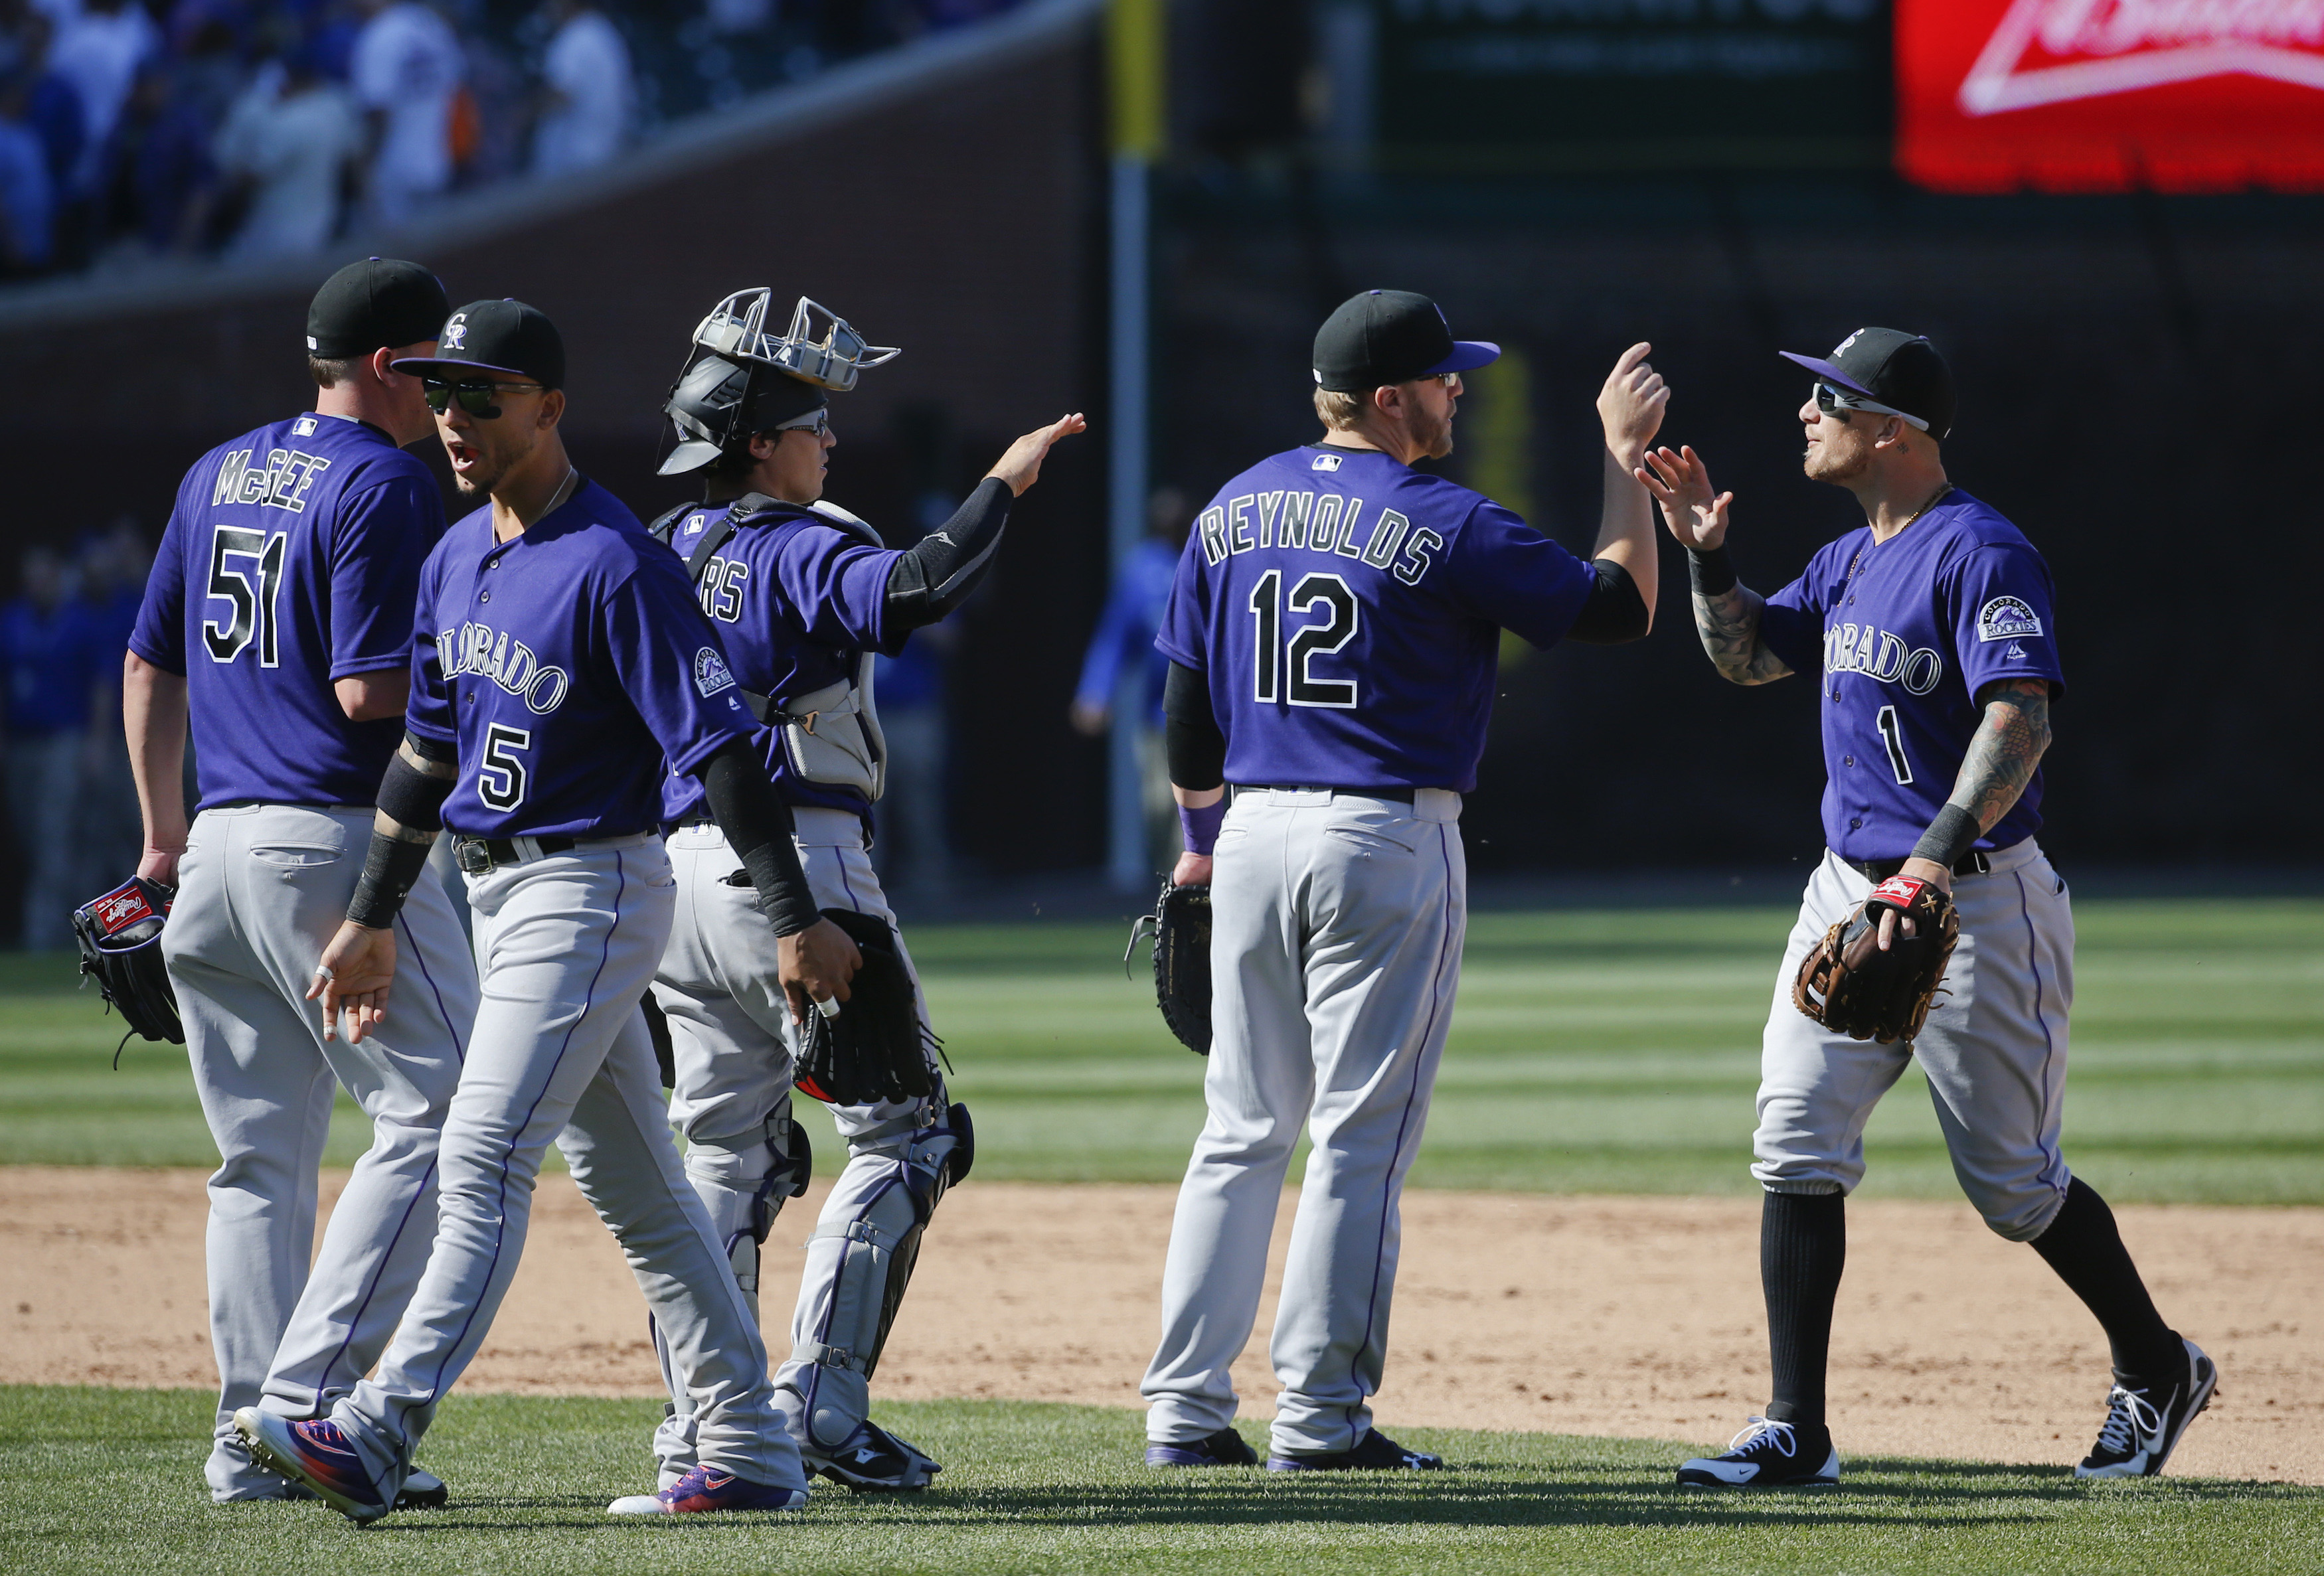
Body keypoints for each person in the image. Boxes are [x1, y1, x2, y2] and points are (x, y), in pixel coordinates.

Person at [235, 297, 854, 1522]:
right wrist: (369, 914)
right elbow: (422, 755)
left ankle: (376, 1423)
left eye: (485, 395)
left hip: (594, 882)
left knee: (480, 1155)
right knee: (644, 1188)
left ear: (550, 407)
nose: (457, 419)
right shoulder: (460, 552)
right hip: (495, 889)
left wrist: (794, 912)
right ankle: (750, 1445)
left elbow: (723, 748)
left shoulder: (618, 558)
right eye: (445, 393)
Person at [1643, 328, 2214, 1488]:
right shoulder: (1853, 557)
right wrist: (1708, 555)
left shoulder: (1983, 551)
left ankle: (2157, 1363)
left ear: (1893, 428)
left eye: (1829, 398)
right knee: (1794, 1137)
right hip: (1851, 887)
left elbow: (2021, 718)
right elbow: (1746, 658)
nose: (1807, 411)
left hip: (1976, 899)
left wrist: (1934, 861)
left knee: (2014, 1183)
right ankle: (1795, 1428)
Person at [1141, 289, 1665, 1470]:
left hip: (1255, 831)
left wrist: (1197, 838)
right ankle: (1322, 1420)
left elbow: (1186, 701)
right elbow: (1619, 607)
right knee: (1359, 1137)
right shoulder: (1444, 516)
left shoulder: (1231, 505)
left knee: (1239, 1127)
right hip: (1384, 837)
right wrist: (1619, 462)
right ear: (1389, 398)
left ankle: (1184, 1410)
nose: (1458, 390)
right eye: (1442, 377)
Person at [643, 287, 1084, 1490]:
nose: (830, 438)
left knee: (725, 1158)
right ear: (755, 439)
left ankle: (708, 1431)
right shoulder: (794, 543)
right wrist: (1005, 482)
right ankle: (820, 1407)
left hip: (672, 879)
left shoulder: (663, 543)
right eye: (811, 421)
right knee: (912, 1135)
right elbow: (917, 590)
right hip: (800, 870)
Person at [123, 258, 478, 1506]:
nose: (448, 386)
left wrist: (160, 846)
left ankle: (243, 1436)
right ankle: (311, 1406)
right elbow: (369, 693)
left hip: (214, 851)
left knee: (259, 1158)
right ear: (386, 366)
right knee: (445, 1121)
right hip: (332, 843)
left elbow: (149, 665)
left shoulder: (214, 467)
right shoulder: (385, 478)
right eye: (433, 362)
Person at [1070, 487, 1190, 875]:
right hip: (1160, 716)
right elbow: (1114, 638)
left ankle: (1197, 898)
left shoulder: (1209, 560)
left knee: (1195, 814)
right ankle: (1171, 890)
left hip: (1211, 715)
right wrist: (1094, 693)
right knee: (1158, 806)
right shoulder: (1141, 568)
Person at [2, 543, 98, 945]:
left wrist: (97, 739)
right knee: (29, 835)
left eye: (45, 575)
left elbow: (103, 685)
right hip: (20, 743)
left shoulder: (80, 622)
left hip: (64, 740)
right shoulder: (12, 620)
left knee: (54, 833)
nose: (37, 584)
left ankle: (46, 935)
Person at [213, 41, 364, 260]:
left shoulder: (286, 121)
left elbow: (252, 177)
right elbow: (355, 164)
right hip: (324, 226)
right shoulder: (336, 107)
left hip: (275, 233)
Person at [349, 0, 459, 228]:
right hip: (437, 159)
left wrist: (364, 167)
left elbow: (378, 113)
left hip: (394, 169)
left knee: (395, 257)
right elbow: (455, 82)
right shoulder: (430, 23)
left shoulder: (379, 34)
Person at [530, 0, 630, 179]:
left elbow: (561, 96)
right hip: (605, 153)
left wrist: (521, 117)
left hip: (576, 167)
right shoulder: (602, 31)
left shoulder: (574, 38)